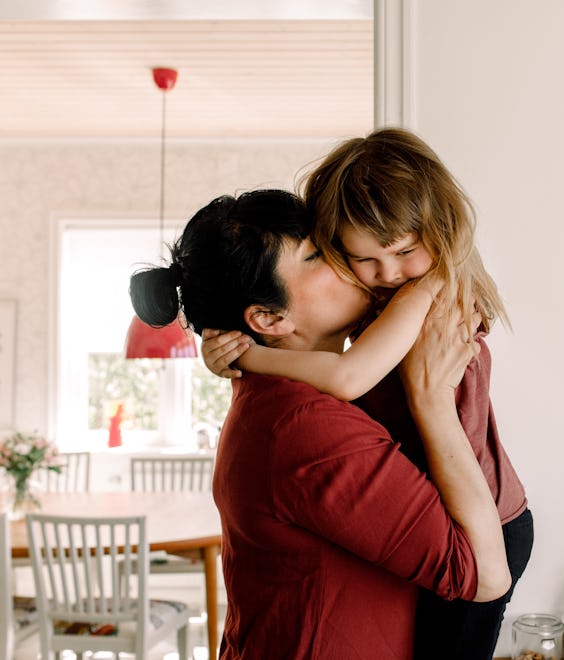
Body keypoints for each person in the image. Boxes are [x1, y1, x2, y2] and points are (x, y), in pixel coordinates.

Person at [128, 189, 511, 660]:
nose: (342, 255)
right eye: (314, 255)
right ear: (268, 318)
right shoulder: (305, 427)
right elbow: (484, 576)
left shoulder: (279, 396)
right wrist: (430, 399)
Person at [202, 128, 533, 660]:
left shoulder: (429, 292)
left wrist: (250, 357)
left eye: (404, 251)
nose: (386, 272)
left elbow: (348, 377)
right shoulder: (383, 303)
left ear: (439, 229)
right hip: (455, 519)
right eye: (351, 257)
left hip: (487, 521)